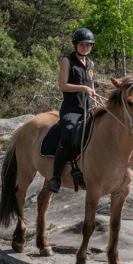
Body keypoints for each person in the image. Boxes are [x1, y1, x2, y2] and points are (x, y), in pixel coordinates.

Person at [45, 28, 98, 193]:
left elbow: (92, 85)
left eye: (88, 45)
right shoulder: (67, 61)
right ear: (75, 45)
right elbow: (63, 85)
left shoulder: (91, 64)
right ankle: (55, 177)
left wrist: (95, 101)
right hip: (72, 109)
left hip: (88, 108)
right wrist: (83, 87)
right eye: (82, 45)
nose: (85, 48)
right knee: (67, 133)